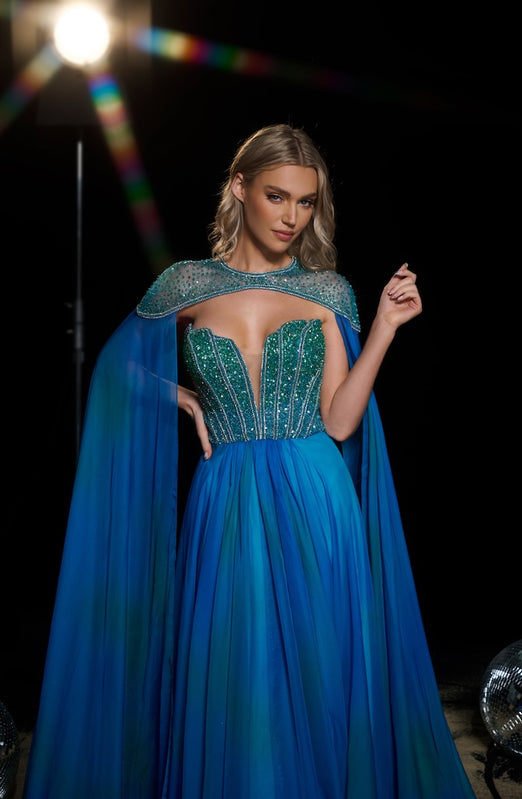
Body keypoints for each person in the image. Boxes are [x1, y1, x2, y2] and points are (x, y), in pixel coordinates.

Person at [23, 123, 475, 798]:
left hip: (315, 494)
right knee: (235, 672)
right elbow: (113, 374)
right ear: (240, 187)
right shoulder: (186, 284)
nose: (292, 217)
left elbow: (340, 420)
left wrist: (383, 326)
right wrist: (178, 394)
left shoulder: (327, 291)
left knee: (321, 673)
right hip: (227, 497)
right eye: (276, 196)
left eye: (305, 202)